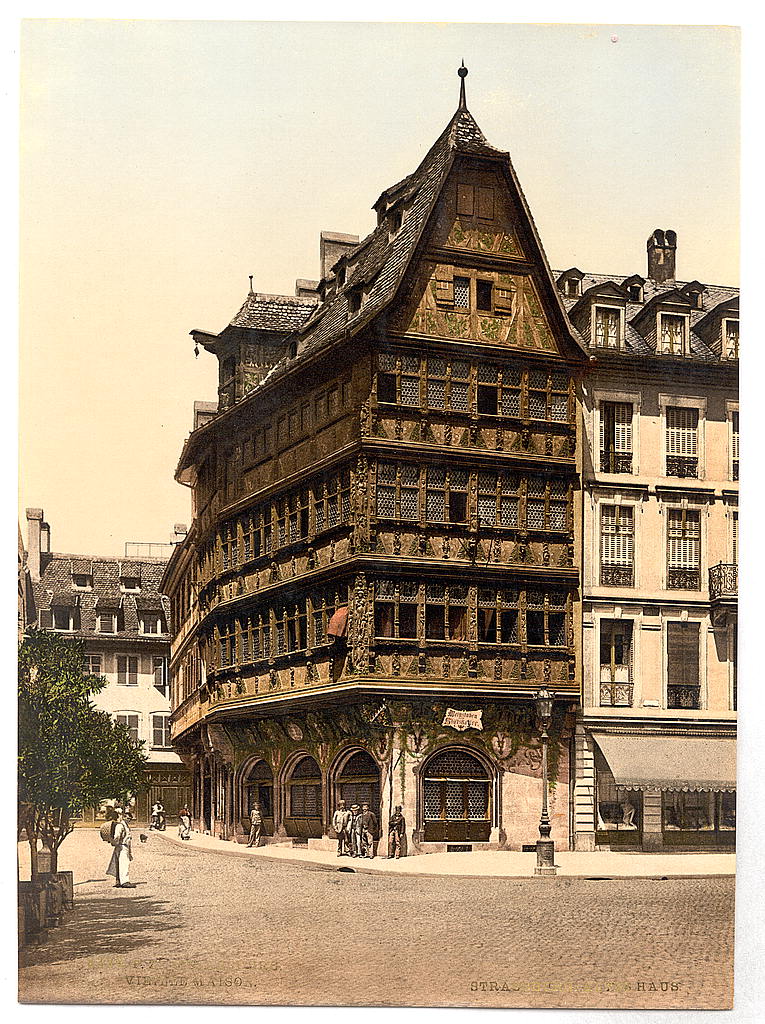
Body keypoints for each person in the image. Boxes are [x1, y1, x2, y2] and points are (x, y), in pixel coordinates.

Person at [106, 807, 135, 888]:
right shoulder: (120, 825)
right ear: (120, 816)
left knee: (118, 862)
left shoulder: (123, 825)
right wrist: (115, 842)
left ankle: (118, 880)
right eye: (125, 816)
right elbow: (117, 836)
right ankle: (124, 881)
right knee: (123, 863)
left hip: (122, 845)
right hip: (122, 846)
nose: (128, 818)